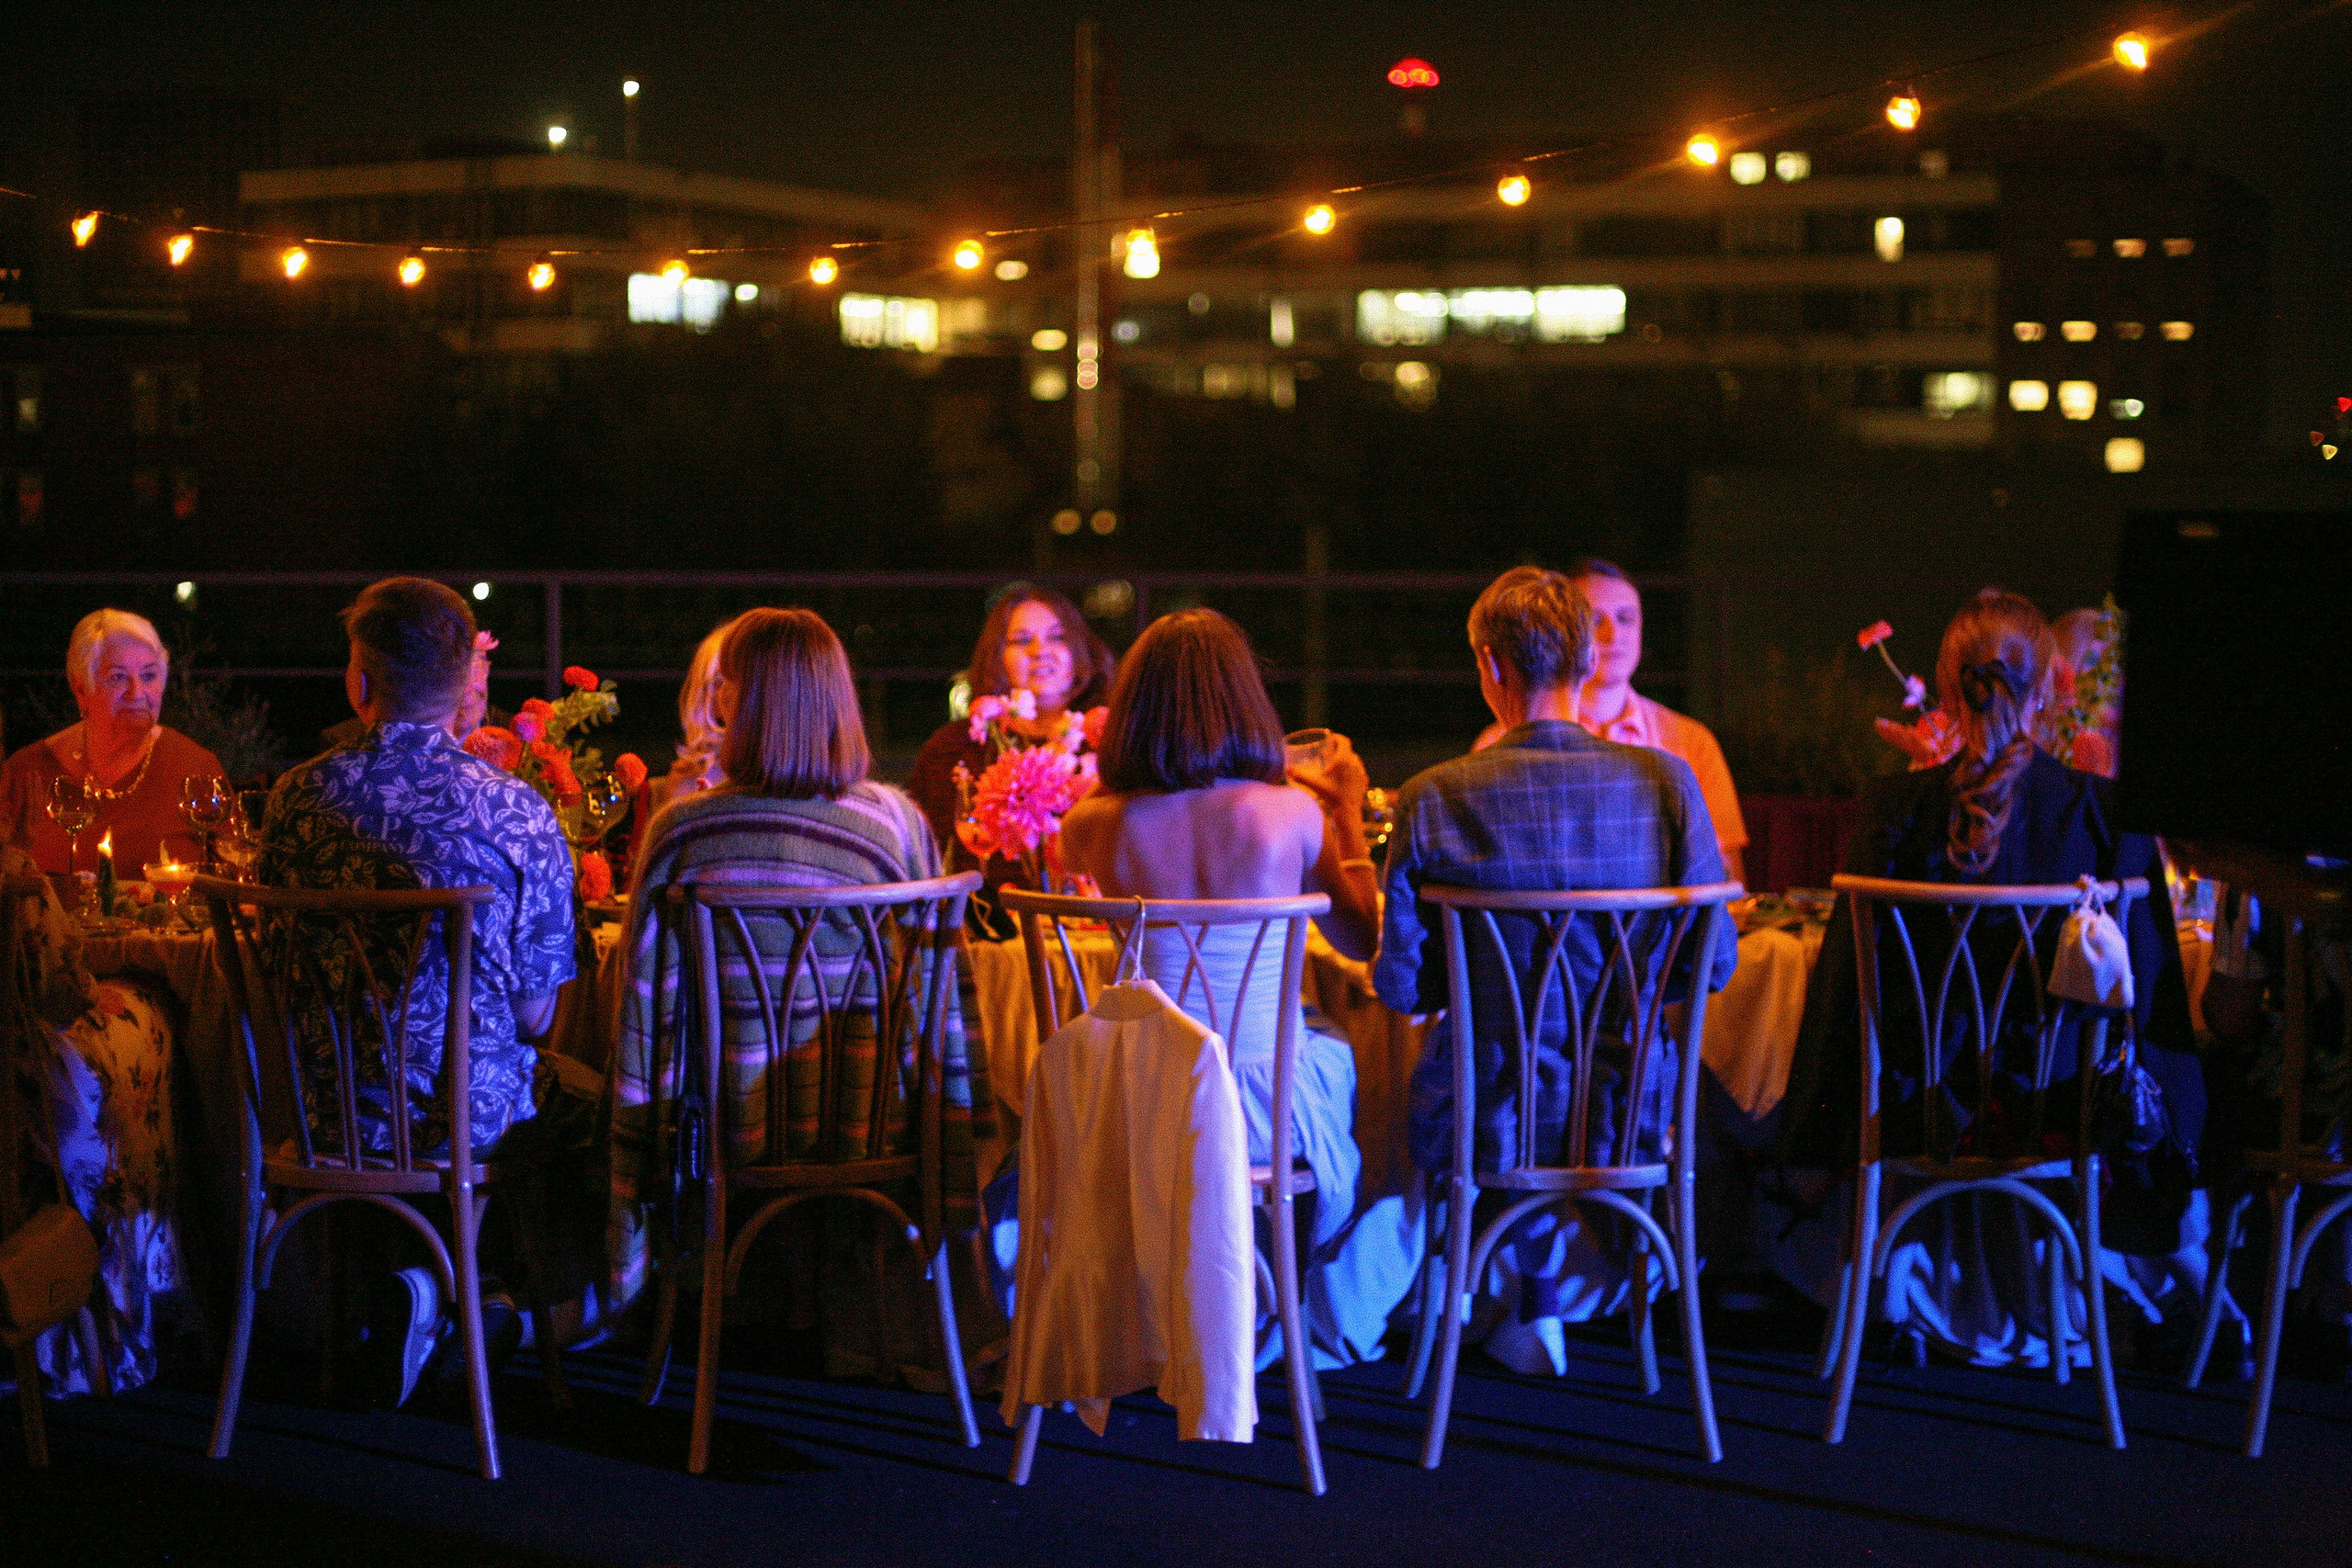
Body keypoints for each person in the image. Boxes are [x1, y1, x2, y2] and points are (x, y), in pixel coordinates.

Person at [1778, 591, 2199, 1367]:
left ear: (1946, 689)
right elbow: (2150, 998)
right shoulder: (2107, 813)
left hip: (1918, 1112)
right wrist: (2182, 1151)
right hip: (2060, 1110)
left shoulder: (1891, 809)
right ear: (2048, 691)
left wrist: (1809, 1142)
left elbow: (1844, 995)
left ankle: (1884, 1288)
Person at [607, 607, 995, 1385]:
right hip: (867, 1124)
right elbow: (937, 1000)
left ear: (736, 703)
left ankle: (681, 1321)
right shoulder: (894, 826)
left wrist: (638, 1143)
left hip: (720, 1123)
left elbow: (641, 1006)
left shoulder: (684, 831)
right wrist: (954, 1116)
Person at [1375, 566, 1737, 1373]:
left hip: (1487, 1106)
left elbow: (1401, 985)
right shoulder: (1666, 782)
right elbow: (1714, 962)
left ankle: (1486, 1303)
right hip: (1628, 1101)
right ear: (1585, 658)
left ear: (1491, 666)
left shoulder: (1435, 796)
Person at [1060, 607, 1408, 1367]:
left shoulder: (1087, 825)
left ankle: (1157, 1310)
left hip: (1137, 1099)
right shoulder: (1294, 814)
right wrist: (1344, 811)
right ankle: (1286, 1306)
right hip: (1265, 1106)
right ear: (1247, 702)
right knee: (1348, 1062)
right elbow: (1361, 943)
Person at [259, 578, 577, 1401]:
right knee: (575, 1095)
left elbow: (276, 972)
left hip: (324, 1111)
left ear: (359, 680)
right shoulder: (516, 813)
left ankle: (405, 1294)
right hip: (455, 1117)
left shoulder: (296, 799)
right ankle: (475, 1299)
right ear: (464, 686)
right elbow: (538, 1013)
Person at [2, 845, 185, 1398]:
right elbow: (55, 991)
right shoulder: (17, 879)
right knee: (133, 1032)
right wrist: (86, 989)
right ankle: (89, 1319)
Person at [907, 586, 1115, 903]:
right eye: (1021, 641)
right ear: (996, 657)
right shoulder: (955, 748)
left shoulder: (1111, 742)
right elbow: (924, 862)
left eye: (1057, 637)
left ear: (1080, 651)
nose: (1040, 650)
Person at [1565, 558, 1748, 884]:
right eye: (1594, 620)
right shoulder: (1504, 743)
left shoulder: (1691, 742)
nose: (1613, 634)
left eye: (1626, 619)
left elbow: (1727, 878)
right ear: (1561, 633)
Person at [2, 609, 223, 873]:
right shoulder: (26, 774)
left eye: (149, 675)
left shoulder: (196, 769)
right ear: (82, 689)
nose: (136, 692)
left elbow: (235, 879)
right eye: (118, 677)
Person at [640, 618, 736, 819]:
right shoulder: (692, 777)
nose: (729, 693)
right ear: (706, 696)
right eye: (719, 682)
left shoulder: (788, 772)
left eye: (740, 679)